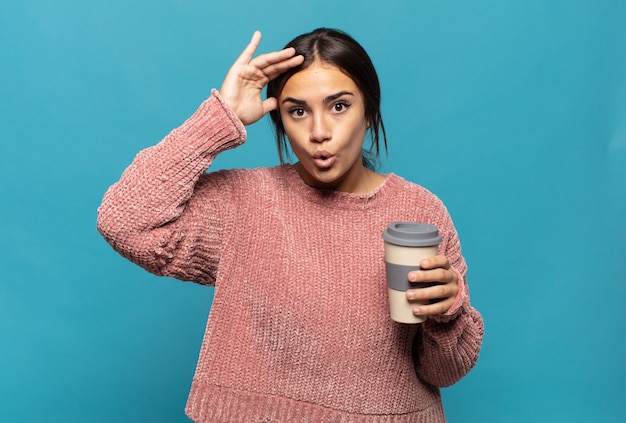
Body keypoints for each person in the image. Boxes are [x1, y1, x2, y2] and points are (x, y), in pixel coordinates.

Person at [97, 28, 484, 423]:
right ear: (280, 120)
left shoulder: (420, 211)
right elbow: (125, 221)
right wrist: (219, 118)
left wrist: (447, 312)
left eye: (339, 106)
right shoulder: (244, 202)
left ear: (369, 112)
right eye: (298, 111)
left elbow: (443, 372)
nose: (319, 132)